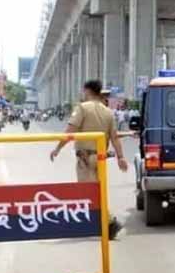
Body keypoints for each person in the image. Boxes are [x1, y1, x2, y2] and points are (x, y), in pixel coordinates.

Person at [50, 79, 128, 239]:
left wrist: (58, 148)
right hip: (100, 157)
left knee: (88, 192)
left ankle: (110, 223)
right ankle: (103, 223)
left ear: (87, 91)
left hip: (85, 158)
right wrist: (120, 157)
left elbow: (70, 131)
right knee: (97, 191)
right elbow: (114, 138)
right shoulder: (108, 112)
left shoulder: (82, 108)